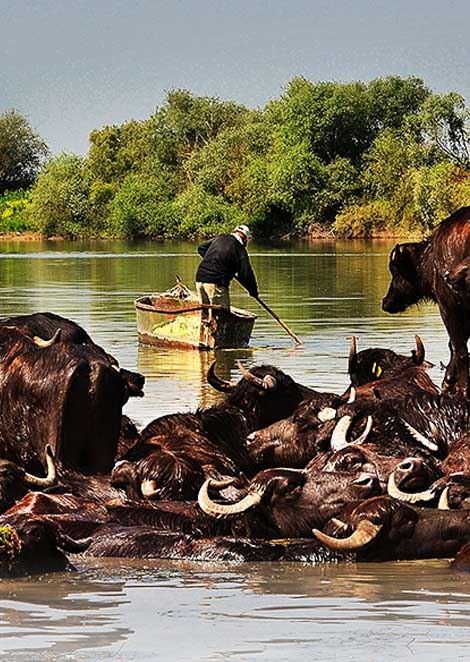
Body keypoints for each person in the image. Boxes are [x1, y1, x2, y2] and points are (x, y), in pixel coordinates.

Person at [195, 225, 259, 316]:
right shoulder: (239, 248)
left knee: (205, 314)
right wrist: (253, 291)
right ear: (245, 239)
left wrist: (218, 263)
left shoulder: (220, 238)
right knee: (221, 316)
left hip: (200, 279)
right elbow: (246, 274)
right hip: (216, 283)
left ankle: (203, 329)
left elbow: (201, 248)